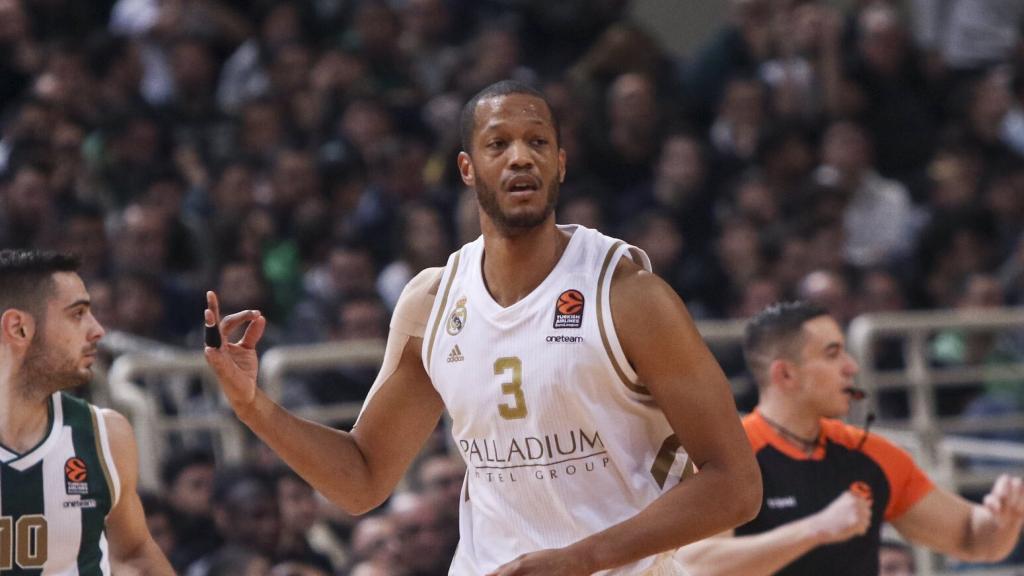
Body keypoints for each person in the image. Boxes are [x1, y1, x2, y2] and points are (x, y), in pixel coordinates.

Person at [203, 79, 761, 575]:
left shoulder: (628, 295)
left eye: (537, 142)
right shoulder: (432, 301)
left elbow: (736, 485)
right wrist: (255, 406)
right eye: (499, 144)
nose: (521, 158)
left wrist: (580, 560)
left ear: (560, 164)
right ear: (468, 168)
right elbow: (361, 479)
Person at [676, 301, 1024, 576]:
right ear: (785, 374)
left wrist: (1002, 522)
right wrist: (816, 529)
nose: (851, 366)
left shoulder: (869, 454)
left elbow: (975, 541)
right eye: (832, 354)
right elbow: (693, 565)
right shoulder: (731, 455)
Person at [0, 249, 175, 575]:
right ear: (19, 328)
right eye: (77, 314)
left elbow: (135, 555)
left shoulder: (105, 434)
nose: (97, 330)